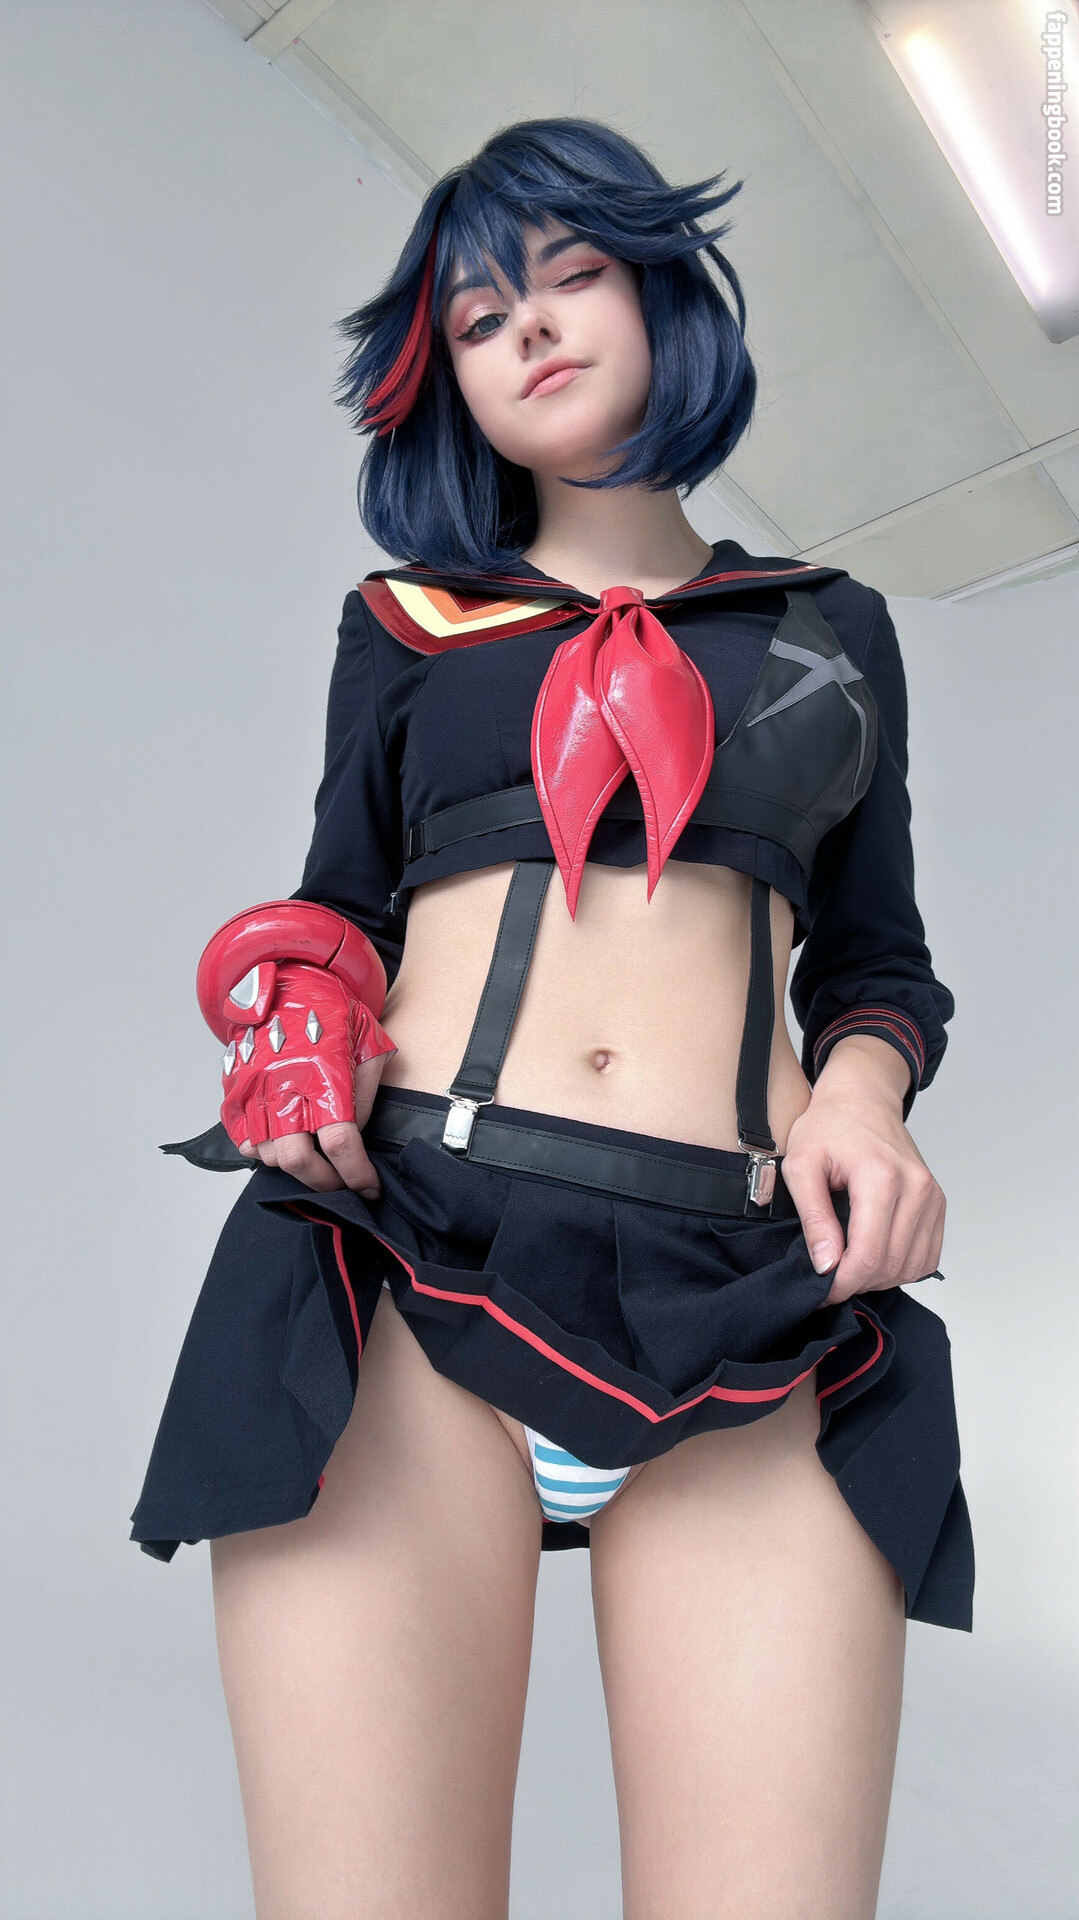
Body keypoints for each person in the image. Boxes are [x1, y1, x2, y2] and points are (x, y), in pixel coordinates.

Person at [132, 118, 974, 1920]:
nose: (526, 325)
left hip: (748, 1290)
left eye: (571, 273)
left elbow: (876, 964)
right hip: (408, 1255)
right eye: (478, 313)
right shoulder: (406, 627)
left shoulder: (831, 629)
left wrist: (864, 1097)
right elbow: (340, 911)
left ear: (665, 295)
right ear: (450, 381)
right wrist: (294, 1017)